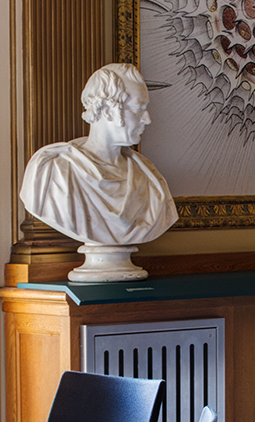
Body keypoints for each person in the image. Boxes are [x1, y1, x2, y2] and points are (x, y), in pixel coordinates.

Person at [19, 62, 178, 277]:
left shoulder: (150, 178)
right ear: (108, 109)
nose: (147, 119)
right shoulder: (53, 172)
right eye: (139, 108)